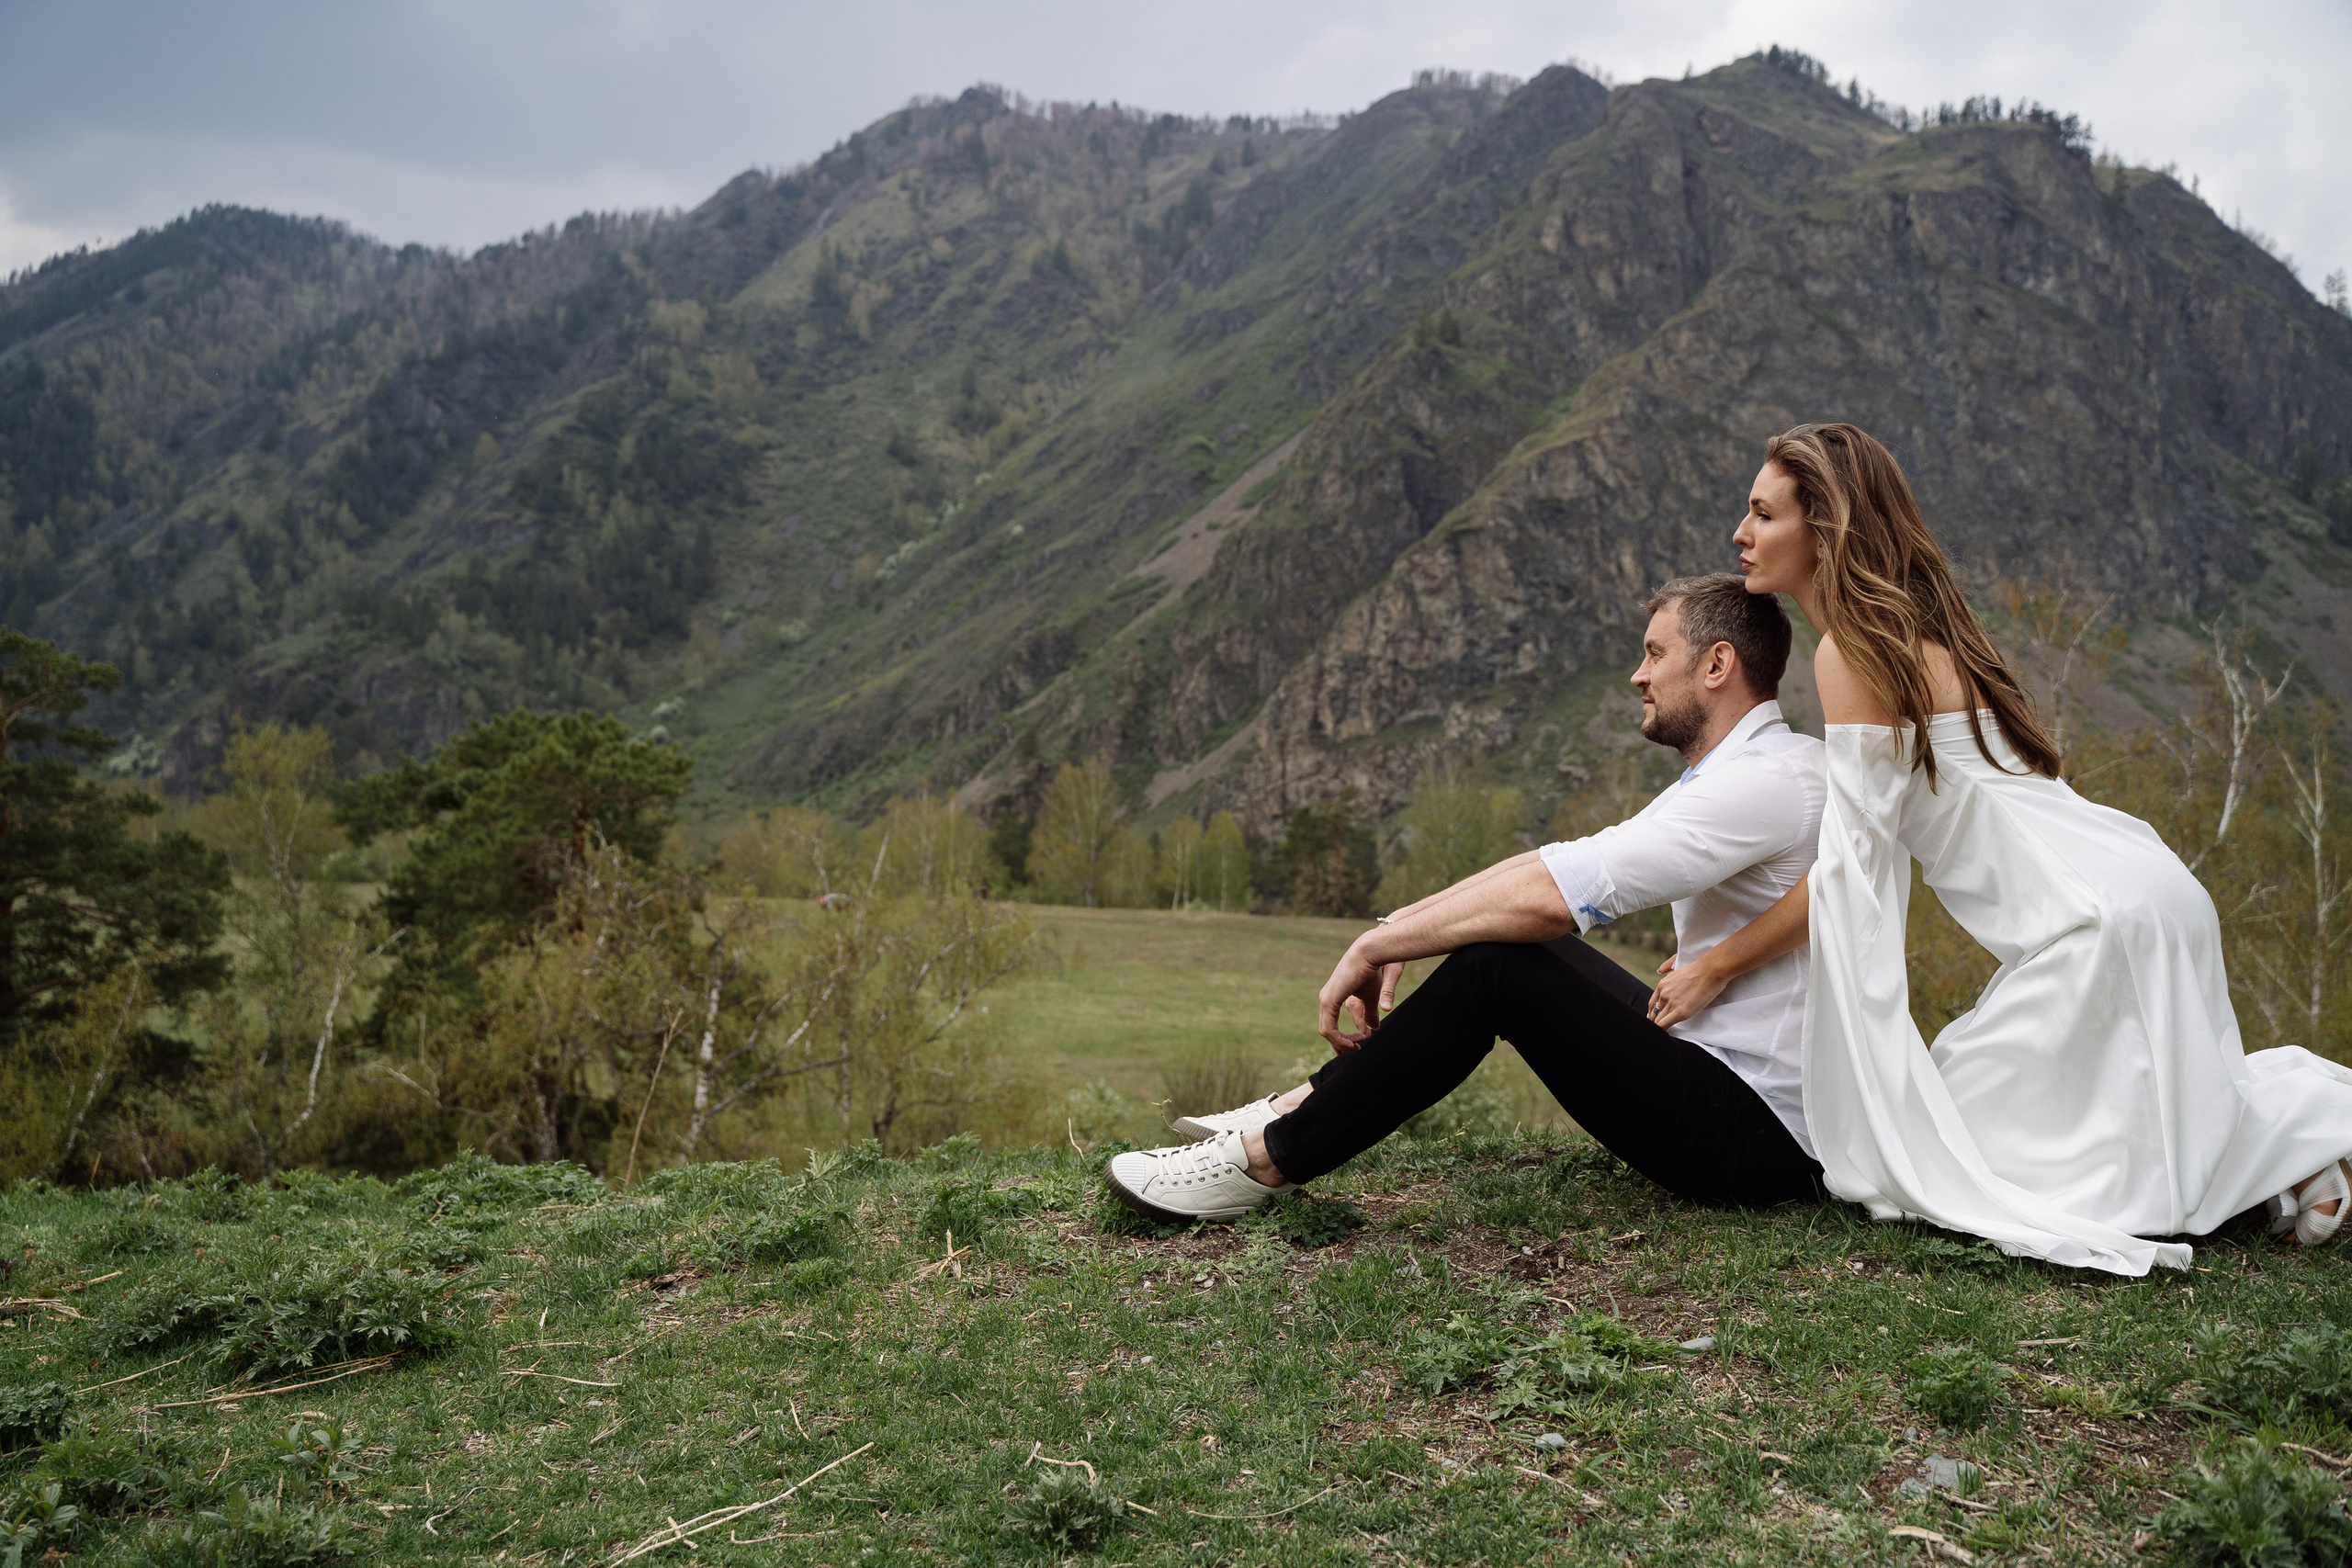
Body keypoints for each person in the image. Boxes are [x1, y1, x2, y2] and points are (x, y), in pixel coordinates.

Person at [1648, 423, 2352, 1275]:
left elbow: (1852, 871)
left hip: (2086, 928)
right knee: (2113, 1117)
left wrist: (1719, 964)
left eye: (1763, 513)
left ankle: (2298, 1152)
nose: (1741, 532)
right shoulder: (1933, 634)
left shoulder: (1853, 653)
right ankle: (2304, 1157)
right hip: (2149, 889)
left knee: (1944, 1164)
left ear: (1825, 529)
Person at [1102, 574, 1828, 1224]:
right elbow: (1549, 867)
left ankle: (1269, 1156)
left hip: (1756, 1136)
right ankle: (1296, 1104)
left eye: (1654, 654)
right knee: (1517, 946)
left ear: (1716, 664)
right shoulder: (1754, 769)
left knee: (1500, 968)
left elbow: (1557, 894)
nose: (1638, 676)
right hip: (1736, 1095)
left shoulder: (1760, 784)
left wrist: (1377, 946)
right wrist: (1396, 928)